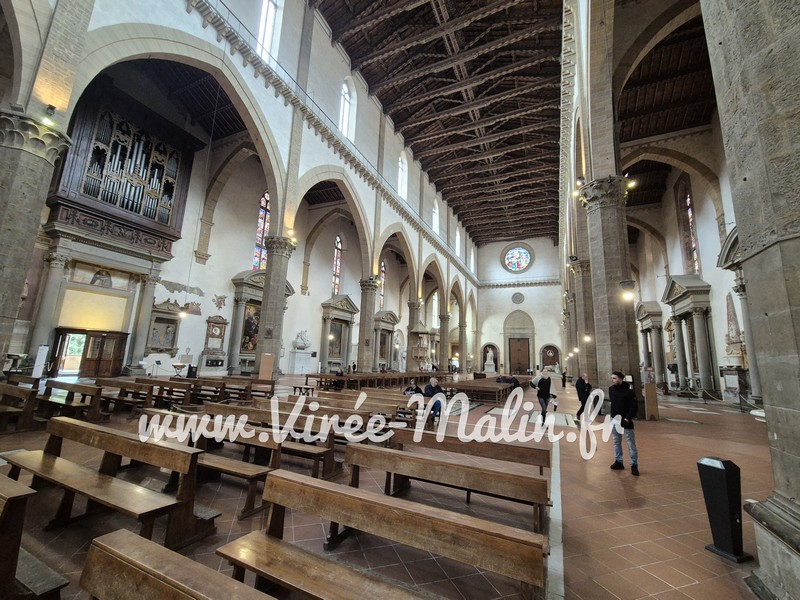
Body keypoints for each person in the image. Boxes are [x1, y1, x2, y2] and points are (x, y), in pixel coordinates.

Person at [609, 370, 639, 476]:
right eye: (612, 378)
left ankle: (634, 465)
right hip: (614, 419)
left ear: (620, 379)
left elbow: (634, 406)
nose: (612, 380)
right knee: (616, 441)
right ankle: (619, 461)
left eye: (614, 378)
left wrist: (627, 418)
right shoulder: (611, 389)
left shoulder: (629, 392)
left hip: (626, 419)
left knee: (630, 443)